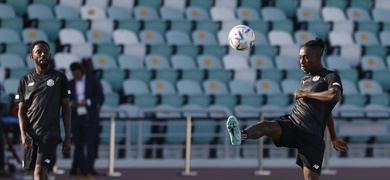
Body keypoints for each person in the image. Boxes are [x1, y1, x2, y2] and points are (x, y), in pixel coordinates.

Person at [227, 38, 349, 180]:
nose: (302, 61)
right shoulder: (305, 80)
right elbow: (325, 109)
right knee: (266, 126)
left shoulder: (330, 76)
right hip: (293, 124)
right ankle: (239, 136)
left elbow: (334, 96)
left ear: (317, 57)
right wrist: (333, 136)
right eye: (300, 58)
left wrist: (306, 94)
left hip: (311, 136)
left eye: (306, 57)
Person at [15, 40, 71, 179]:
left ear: (50, 54)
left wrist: (67, 137)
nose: (42, 55)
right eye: (38, 52)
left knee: (39, 172)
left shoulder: (59, 78)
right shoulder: (24, 81)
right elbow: (21, 111)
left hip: (50, 134)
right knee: (41, 173)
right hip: (31, 134)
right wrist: (23, 134)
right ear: (31, 56)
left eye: (45, 52)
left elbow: (66, 109)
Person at [68, 62, 104, 178]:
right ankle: (82, 170)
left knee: (90, 144)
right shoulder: (70, 83)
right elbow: (65, 98)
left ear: (82, 72)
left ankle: (89, 169)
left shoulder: (93, 81)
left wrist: (87, 102)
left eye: (77, 73)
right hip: (76, 116)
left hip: (89, 116)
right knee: (78, 144)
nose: (76, 76)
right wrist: (73, 104)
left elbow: (100, 97)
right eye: (74, 74)